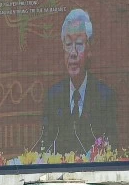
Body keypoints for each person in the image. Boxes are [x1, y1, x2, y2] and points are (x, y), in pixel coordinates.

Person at [40, 9, 118, 155]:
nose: (73, 53)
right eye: (68, 44)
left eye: (79, 44)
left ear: (89, 48)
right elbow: (45, 147)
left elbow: (112, 148)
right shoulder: (52, 97)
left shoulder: (105, 96)